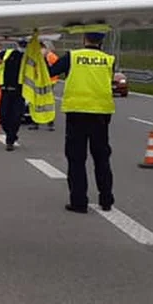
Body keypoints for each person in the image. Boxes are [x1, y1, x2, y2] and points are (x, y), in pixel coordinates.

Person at [45, 30, 116, 212]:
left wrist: (46, 55)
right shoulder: (109, 59)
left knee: (77, 160)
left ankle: (79, 202)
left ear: (84, 39)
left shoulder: (73, 57)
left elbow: (51, 71)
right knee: (101, 159)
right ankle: (106, 200)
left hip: (77, 113)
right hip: (101, 114)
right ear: (102, 41)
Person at [0, 38, 27, 150]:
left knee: (16, 117)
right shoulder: (9, 53)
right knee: (3, 116)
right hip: (5, 90)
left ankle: (9, 140)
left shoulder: (28, 57)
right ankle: (12, 135)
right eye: (21, 44)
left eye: (24, 45)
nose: (22, 47)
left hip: (20, 92)